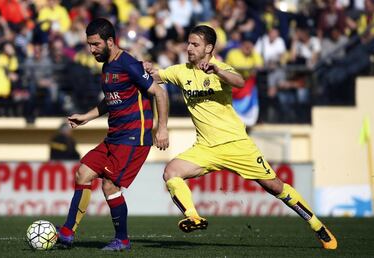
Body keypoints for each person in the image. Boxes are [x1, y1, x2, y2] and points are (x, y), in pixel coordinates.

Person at [144, 25, 337, 250]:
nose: (188, 48)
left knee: (275, 186)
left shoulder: (220, 69)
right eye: (188, 43)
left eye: (194, 44)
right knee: (171, 172)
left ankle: (317, 226)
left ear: (209, 48)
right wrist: (145, 68)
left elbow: (239, 82)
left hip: (237, 144)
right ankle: (194, 217)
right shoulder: (181, 71)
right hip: (205, 148)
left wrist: (216, 71)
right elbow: (156, 77)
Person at [56, 18, 169, 251]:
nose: (91, 49)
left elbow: (160, 93)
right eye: (89, 44)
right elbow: (111, 99)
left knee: (109, 185)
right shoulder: (107, 65)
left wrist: (162, 128)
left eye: (95, 44)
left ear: (110, 41)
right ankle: (67, 233)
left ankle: (122, 240)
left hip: (133, 138)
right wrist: (86, 116)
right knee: (83, 174)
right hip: (114, 136)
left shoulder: (128, 64)